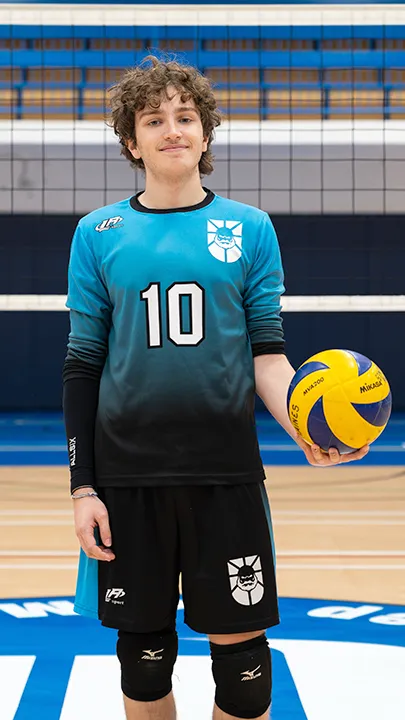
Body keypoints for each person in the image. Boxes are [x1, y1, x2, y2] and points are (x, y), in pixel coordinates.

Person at [63, 55, 369, 720]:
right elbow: (82, 366)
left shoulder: (250, 229)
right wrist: (83, 485)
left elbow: (267, 356)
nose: (171, 129)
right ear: (130, 141)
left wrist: (307, 430)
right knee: (142, 663)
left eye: (185, 116)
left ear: (205, 134)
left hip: (224, 475)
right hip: (128, 479)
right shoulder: (97, 235)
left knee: (244, 674)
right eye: (153, 119)